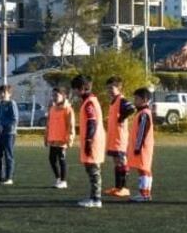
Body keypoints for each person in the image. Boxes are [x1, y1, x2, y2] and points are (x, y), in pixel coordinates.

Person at [72, 75, 105, 209]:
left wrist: (89, 140)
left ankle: (96, 199)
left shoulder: (89, 103)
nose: (74, 92)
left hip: (93, 140)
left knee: (94, 170)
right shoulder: (89, 101)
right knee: (92, 170)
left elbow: (92, 122)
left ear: (81, 88)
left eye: (75, 89)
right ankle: (94, 196)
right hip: (93, 140)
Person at [104, 76, 136, 199]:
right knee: (116, 162)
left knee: (122, 161)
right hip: (113, 138)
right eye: (108, 88)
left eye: (112, 88)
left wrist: (121, 118)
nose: (109, 90)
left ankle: (124, 188)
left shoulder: (121, 100)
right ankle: (117, 187)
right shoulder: (113, 101)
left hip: (120, 138)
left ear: (119, 88)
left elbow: (131, 108)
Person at [127, 88, 156, 203]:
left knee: (143, 169)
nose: (134, 101)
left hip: (142, 147)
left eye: (136, 98)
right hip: (143, 146)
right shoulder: (142, 112)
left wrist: (137, 147)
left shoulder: (144, 114)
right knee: (145, 169)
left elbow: (142, 132)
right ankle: (146, 193)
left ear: (144, 100)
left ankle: (144, 194)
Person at [44, 87, 74, 189]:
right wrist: (46, 137)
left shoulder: (68, 109)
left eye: (56, 95)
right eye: (53, 95)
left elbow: (71, 125)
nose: (54, 97)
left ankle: (63, 181)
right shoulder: (52, 109)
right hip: (53, 139)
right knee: (52, 159)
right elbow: (48, 124)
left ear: (63, 96)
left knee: (61, 160)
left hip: (62, 140)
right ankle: (58, 178)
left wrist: (69, 138)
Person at [0, 84, 19, 185]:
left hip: (9, 134)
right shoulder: (0, 105)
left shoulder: (12, 104)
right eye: (0, 92)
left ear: (9, 94)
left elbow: (15, 119)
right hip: (0, 134)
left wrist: (4, 126)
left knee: (8, 155)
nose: (2, 94)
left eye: (4, 93)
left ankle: (9, 178)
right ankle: (0, 177)